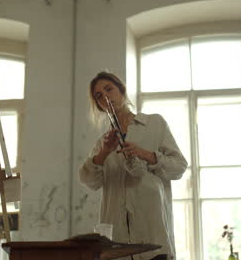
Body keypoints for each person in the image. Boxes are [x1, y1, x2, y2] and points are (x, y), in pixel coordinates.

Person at [79, 71, 188, 260]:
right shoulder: (102, 143)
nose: (105, 97)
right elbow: (90, 181)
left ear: (121, 90)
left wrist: (147, 155)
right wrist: (104, 152)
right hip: (115, 247)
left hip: (153, 240)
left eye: (109, 89)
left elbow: (179, 167)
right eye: (99, 96)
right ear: (98, 105)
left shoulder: (155, 123)